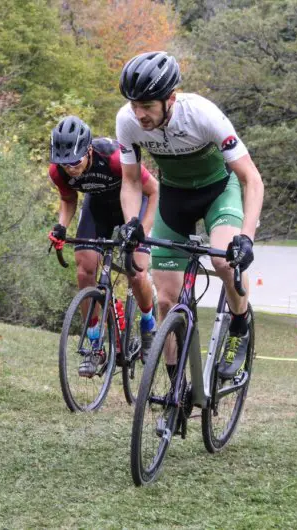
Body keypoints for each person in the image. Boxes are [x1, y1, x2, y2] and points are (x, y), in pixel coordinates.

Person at [116, 51, 264, 382]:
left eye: (148, 106)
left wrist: (247, 237)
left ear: (170, 98)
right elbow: (130, 180)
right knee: (166, 301)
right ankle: (175, 387)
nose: (139, 114)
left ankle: (239, 326)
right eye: (134, 105)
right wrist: (132, 223)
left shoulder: (202, 114)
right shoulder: (127, 120)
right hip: (175, 200)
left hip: (218, 194)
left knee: (225, 263)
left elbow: (251, 179)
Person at [46, 116, 159, 377]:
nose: (71, 169)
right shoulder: (59, 170)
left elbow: (154, 191)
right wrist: (62, 225)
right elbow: (68, 197)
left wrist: (142, 229)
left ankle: (148, 322)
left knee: (137, 271)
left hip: (134, 205)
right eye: (64, 164)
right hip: (98, 209)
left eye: (75, 162)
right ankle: (95, 343)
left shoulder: (114, 158)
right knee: (85, 269)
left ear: (88, 150)